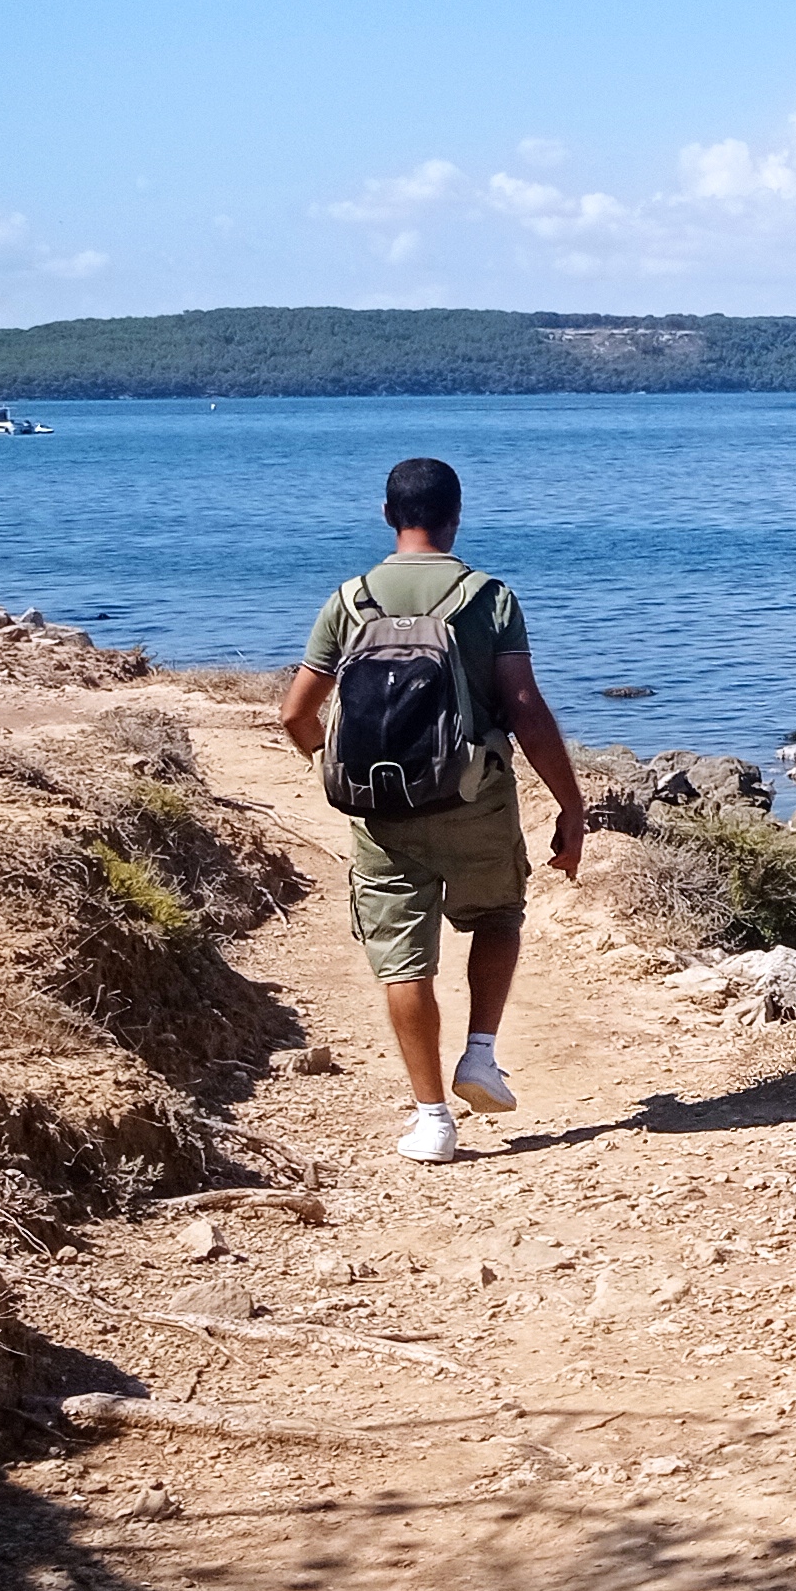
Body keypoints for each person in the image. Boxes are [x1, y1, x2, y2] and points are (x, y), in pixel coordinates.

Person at [277, 458, 586, 1163]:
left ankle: (431, 1120)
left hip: (382, 819)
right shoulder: (488, 598)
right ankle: (480, 1054)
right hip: (476, 799)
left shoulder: (349, 601)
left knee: (403, 962)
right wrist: (570, 805)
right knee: (498, 916)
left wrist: (344, 771)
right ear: (456, 516)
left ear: (389, 516)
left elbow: (296, 715)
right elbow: (526, 710)